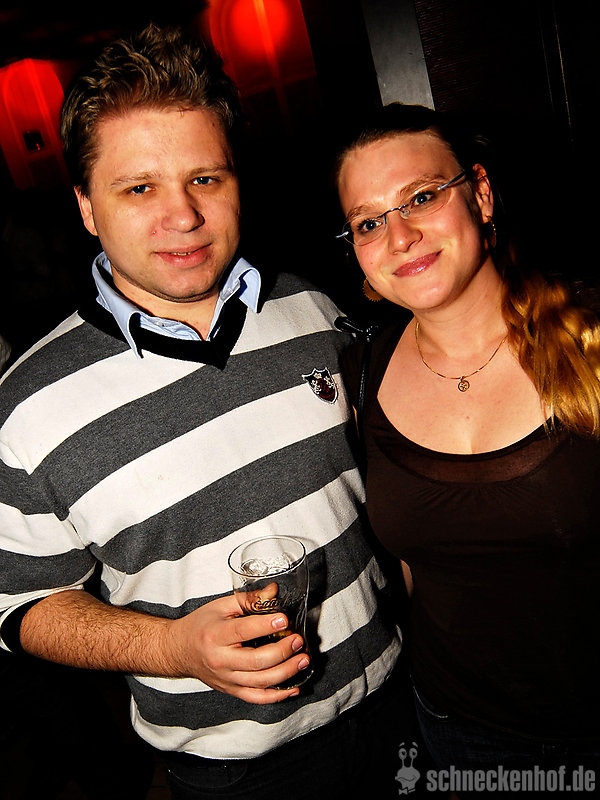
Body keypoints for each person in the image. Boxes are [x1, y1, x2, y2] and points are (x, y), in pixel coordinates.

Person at [0, 25, 409, 800]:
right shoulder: (27, 409)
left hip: (397, 710)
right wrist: (173, 648)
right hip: (239, 777)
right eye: (139, 188)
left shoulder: (314, 311)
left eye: (205, 179)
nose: (183, 216)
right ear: (86, 208)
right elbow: (22, 605)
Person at [335, 103, 600, 787]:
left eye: (422, 197)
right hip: (458, 730)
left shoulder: (591, 339)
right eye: (369, 222)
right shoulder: (360, 375)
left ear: (480, 194)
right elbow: (414, 566)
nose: (400, 236)